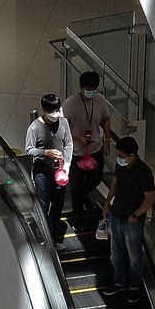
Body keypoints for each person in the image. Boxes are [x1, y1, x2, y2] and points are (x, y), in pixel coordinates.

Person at [102, 137, 155, 302]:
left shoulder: (143, 172)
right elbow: (115, 183)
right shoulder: (121, 165)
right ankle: (119, 283)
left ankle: (134, 286)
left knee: (134, 255)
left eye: (123, 155)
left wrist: (136, 215)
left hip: (131, 220)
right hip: (116, 215)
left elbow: (150, 197)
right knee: (116, 253)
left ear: (132, 155)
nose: (120, 158)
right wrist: (107, 203)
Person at [62, 71, 113, 231]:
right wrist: (78, 137)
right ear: (81, 87)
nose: (90, 92)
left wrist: (107, 139)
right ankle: (78, 217)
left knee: (96, 179)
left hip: (95, 149)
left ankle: (83, 197)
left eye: (93, 89)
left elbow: (105, 118)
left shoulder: (100, 100)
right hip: (76, 152)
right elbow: (62, 128)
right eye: (88, 89)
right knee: (76, 186)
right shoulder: (70, 104)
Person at [24, 94, 73, 247]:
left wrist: (66, 166)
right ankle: (42, 234)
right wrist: (46, 152)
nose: (56, 114)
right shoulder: (34, 128)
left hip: (59, 172)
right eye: (52, 111)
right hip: (42, 173)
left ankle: (54, 234)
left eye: (57, 110)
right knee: (43, 204)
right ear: (44, 110)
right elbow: (29, 150)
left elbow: (69, 144)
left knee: (58, 204)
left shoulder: (63, 122)